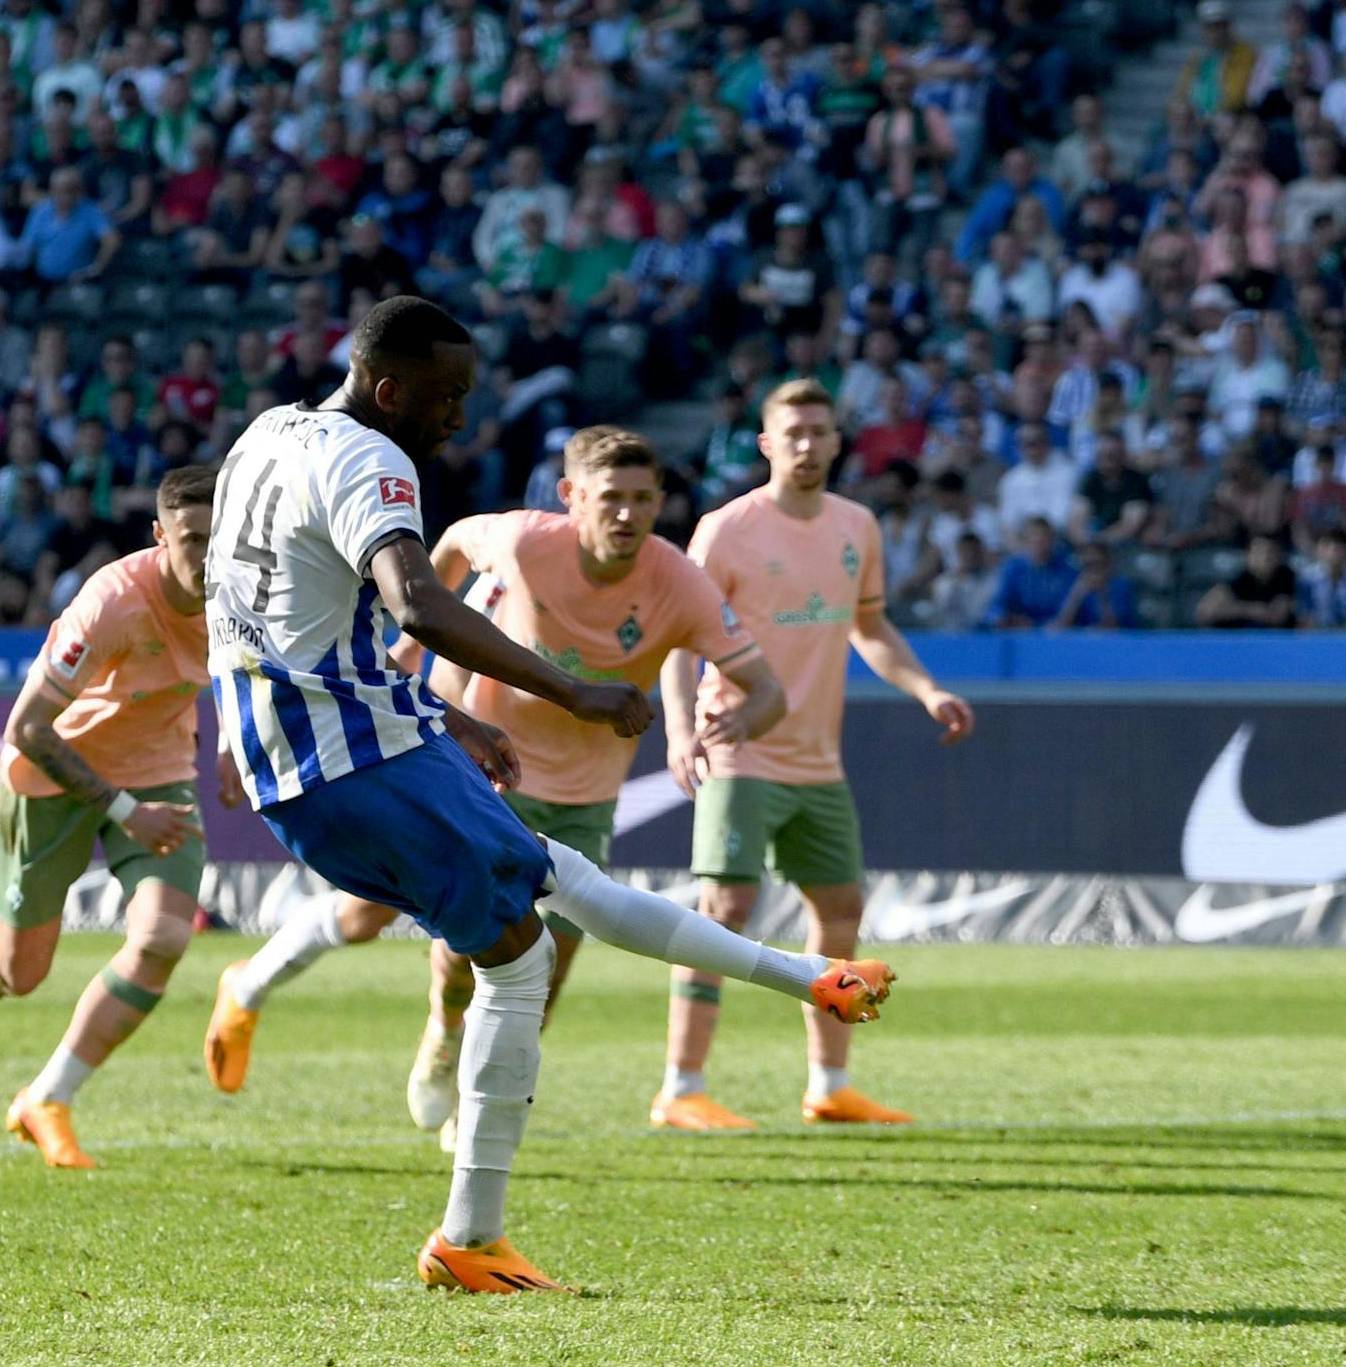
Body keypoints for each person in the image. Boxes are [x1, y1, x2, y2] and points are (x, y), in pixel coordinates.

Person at [199, 300, 893, 1295]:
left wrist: (444, 717)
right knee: (521, 958)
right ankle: (470, 1236)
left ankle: (808, 976)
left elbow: (263, 613)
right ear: (390, 390)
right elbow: (415, 601)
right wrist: (571, 690)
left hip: (312, 751)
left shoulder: (266, 432)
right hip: (354, 756)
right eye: (447, 397)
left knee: (560, 883)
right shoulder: (373, 460)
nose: (460, 418)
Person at [215, 424, 788, 1154]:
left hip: (586, 793)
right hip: (485, 768)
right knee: (400, 923)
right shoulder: (524, 542)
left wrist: (723, 726)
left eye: (644, 499)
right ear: (571, 496)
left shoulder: (679, 582)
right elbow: (453, 542)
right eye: (611, 497)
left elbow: (765, 689)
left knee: (548, 962)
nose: (628, 513)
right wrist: (409, 643)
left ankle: (475, 1105)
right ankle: (409, 1022)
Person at [656, 378, 975, 1131]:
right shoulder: (727, 529)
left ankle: (830, 1084)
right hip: (739, 747)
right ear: (767, 443)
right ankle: (681, 1086)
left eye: (818, 431)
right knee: (723, 912)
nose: (806, 444)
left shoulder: (856, 525)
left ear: (837, 442)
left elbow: (870, 627)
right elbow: (679, 636)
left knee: (840, 911)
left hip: (818, 761)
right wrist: (678, 729)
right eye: (792, 432)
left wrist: (928, 689)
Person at [0, 467, 221, 1169]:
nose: (208, 557)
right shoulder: (112, 602)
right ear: (160, 535)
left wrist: (233, 747)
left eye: (220, 538)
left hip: (161, 772)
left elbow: (246, 670)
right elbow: (28, 728)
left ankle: (48, 1097)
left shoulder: (245, 589)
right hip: (53, 776)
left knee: (163, 939)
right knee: (21, 972)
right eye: (193, 540)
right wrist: (124, 810)